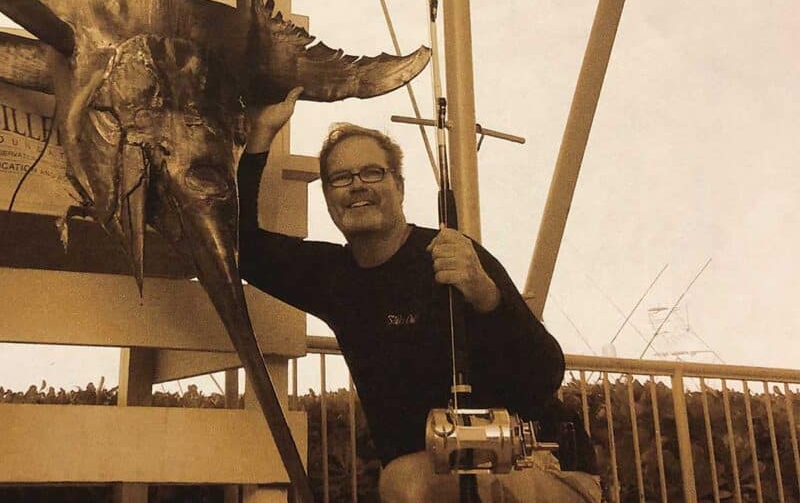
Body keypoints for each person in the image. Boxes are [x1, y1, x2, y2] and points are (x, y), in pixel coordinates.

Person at [239, 88, 599, 503]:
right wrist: (260, 138)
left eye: (372, 173)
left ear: (400, 186)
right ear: (329, 199)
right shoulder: (334, 278)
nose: (357, 186)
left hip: (542, 466)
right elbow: (241, 246)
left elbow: (544, 374)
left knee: (406, 483)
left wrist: (487, 298)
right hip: (433, 475)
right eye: (341, 178)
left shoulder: (455, 255)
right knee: (407, 480)